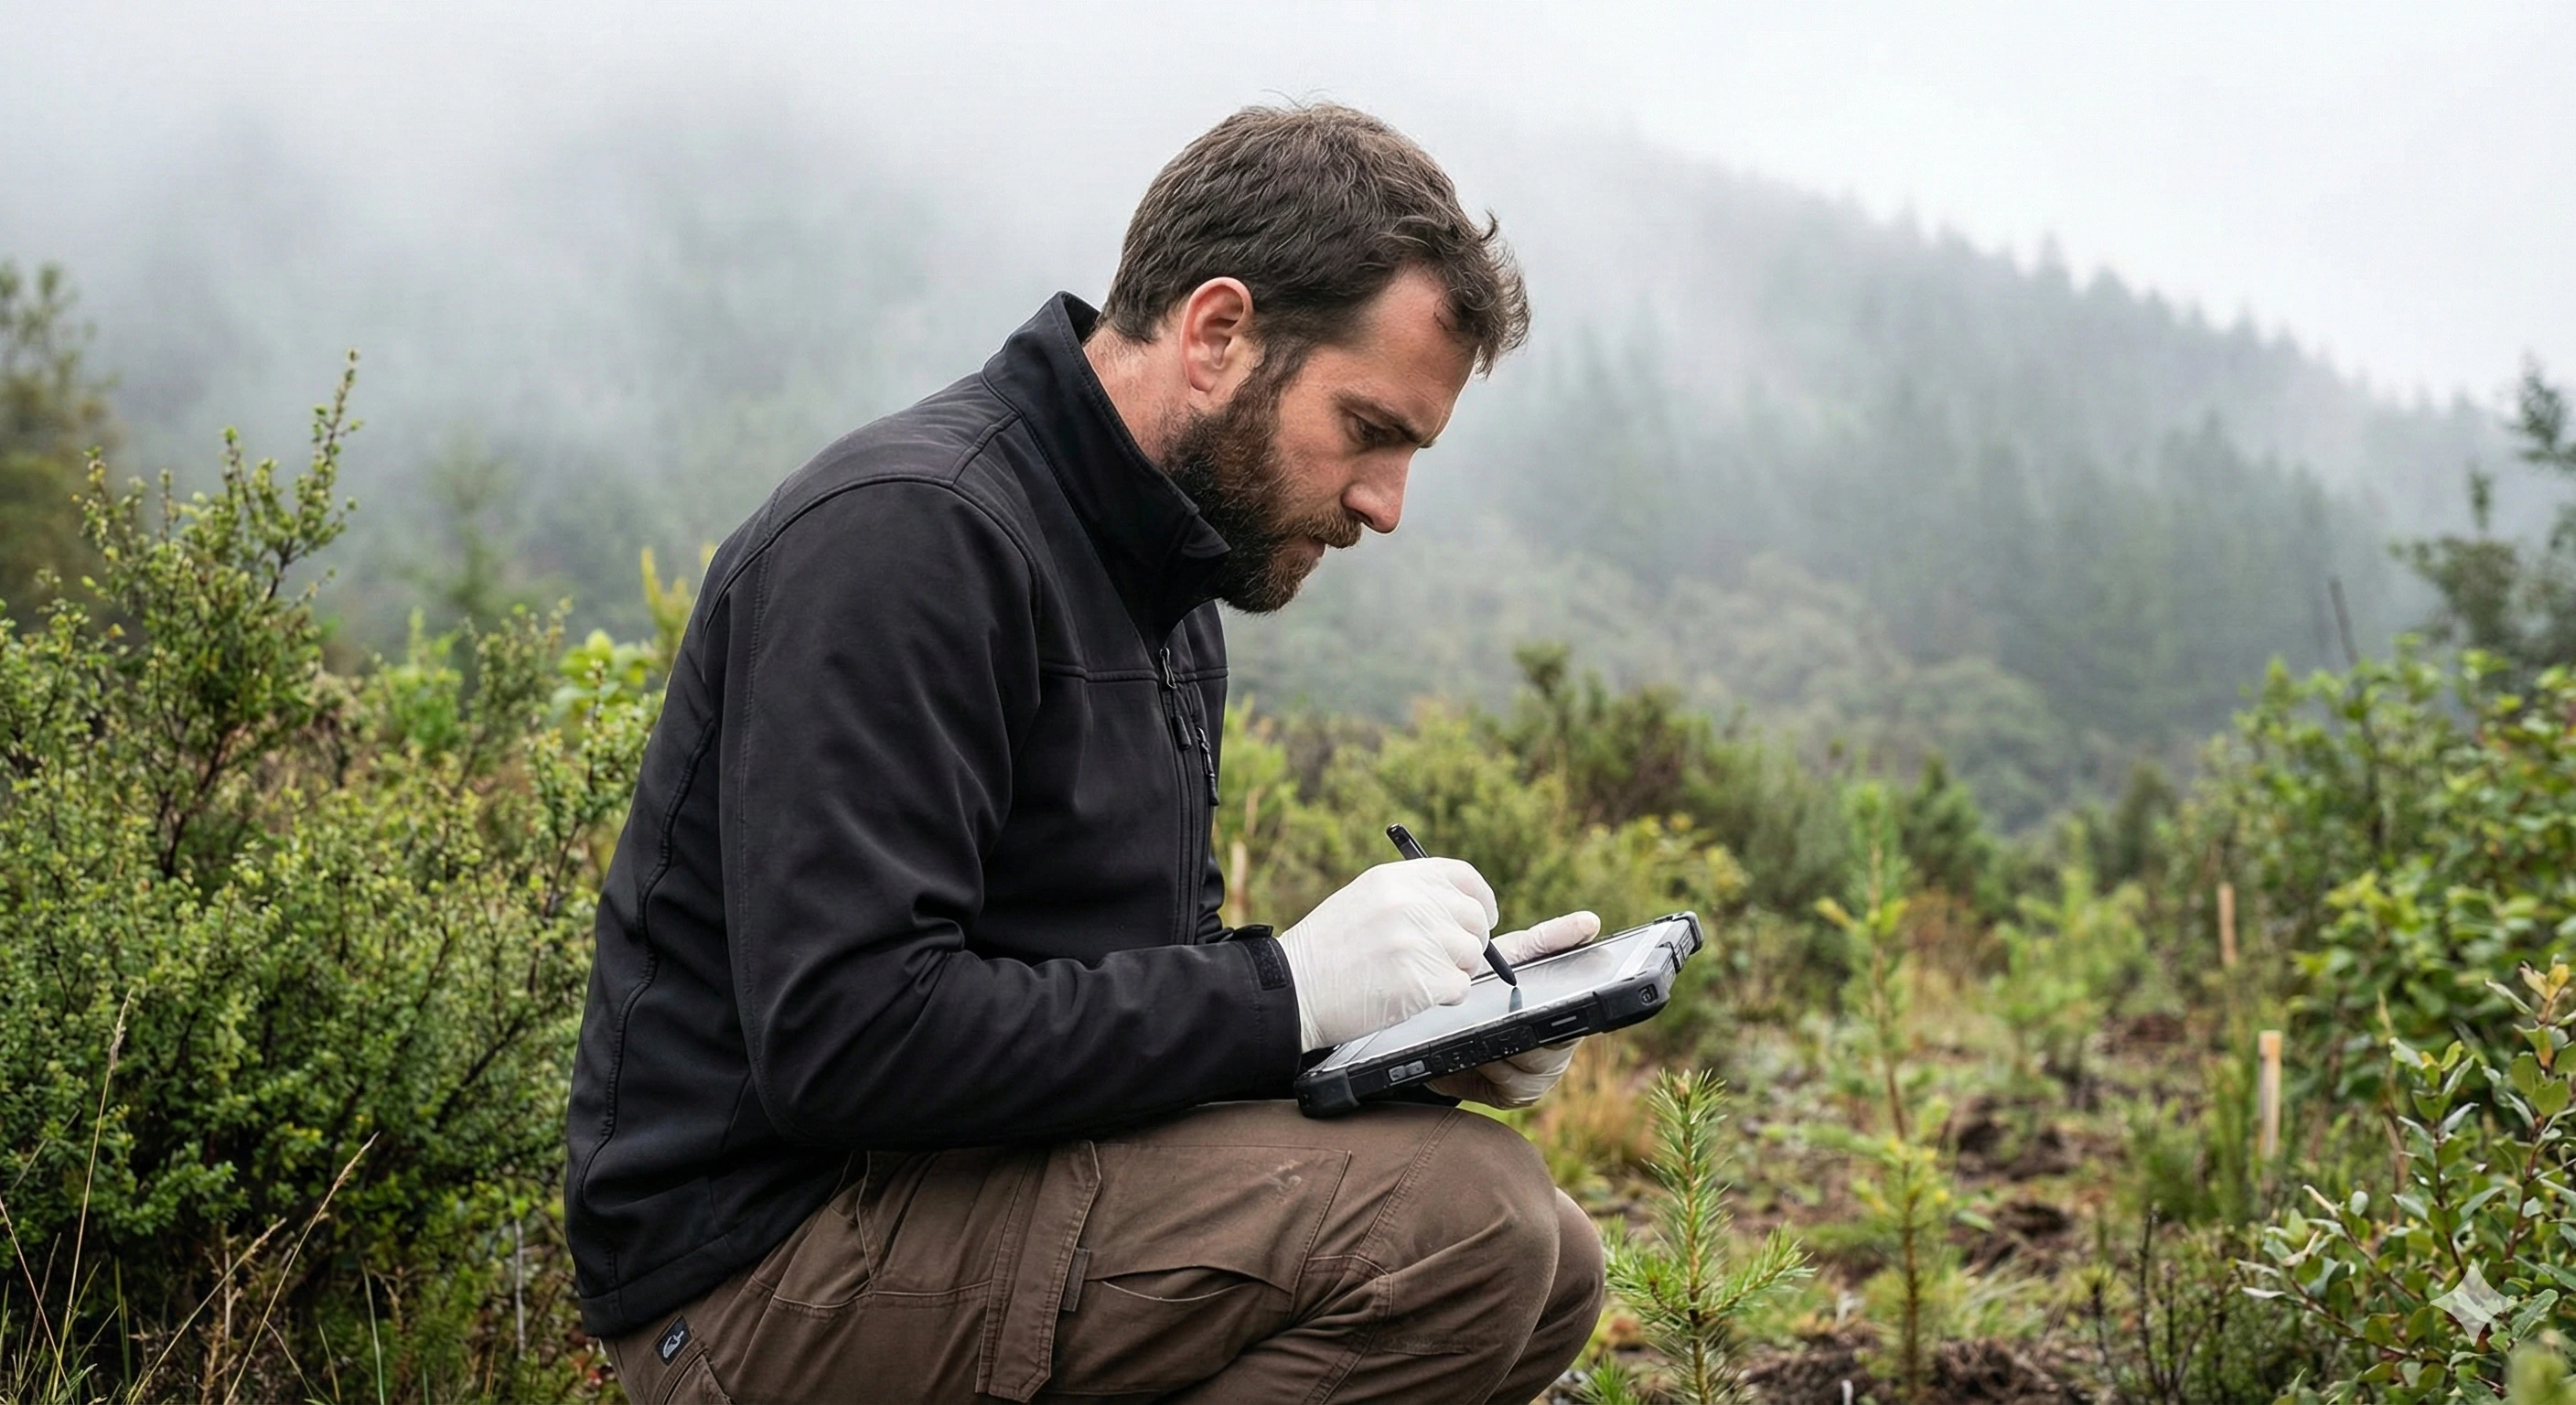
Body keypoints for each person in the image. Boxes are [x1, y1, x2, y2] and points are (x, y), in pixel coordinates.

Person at [566, 102, 1605, 1405]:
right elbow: (846, 1041)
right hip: (758, 1275)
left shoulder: (1163, 591)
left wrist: (1396, 1044)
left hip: (962, 1196)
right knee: (1465, 1222)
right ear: (1220, 334)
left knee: (1554, 1259)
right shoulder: (909, 538)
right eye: (1369, 429)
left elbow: (1117, 1008)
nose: (1384, 505)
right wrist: (1287, 987)